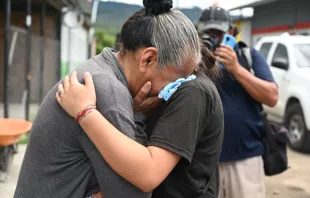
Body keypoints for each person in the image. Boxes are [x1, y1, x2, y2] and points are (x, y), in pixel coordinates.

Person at [14, 0, 202, 197]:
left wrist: (137, 113)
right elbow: (133, 194)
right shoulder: (108, 92)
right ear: (148, 59)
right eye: (173, 81)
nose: (171, 92)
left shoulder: (100, 68)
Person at [55, 42, 224, 198]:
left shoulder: (193, 92)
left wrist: (84, 112)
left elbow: (149, 174)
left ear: (150, 59)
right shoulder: (179, 87)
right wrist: (138, 113)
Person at [197, 6, 279, 198]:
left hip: (246, 158)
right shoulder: (194, 62)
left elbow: (272, 97)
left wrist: (236, 69)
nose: (214, 39)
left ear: (232, 33)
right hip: (205, 159)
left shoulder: (248, 56)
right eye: (208, 34)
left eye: (219, 33)